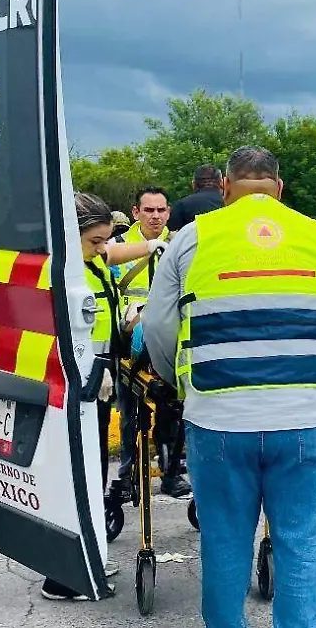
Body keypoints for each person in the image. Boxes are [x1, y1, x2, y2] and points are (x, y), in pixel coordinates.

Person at [142, 146, 316, 627]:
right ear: (279, 188)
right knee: (302, 548)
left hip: (219, 417)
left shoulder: (191, 239)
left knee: (224, 545)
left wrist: (180, 383)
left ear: (225, 187)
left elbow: (157, 327)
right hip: (307, 418)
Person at [40, 193, 122, 601]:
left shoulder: (90, 265)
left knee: (94, 471)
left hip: (96, 381)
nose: (103, 248)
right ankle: (64, 576)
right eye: (95, 241)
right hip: (76, 386)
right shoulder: (59, 274)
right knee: (77, 474)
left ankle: (89, 557)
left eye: (106, 240)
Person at [108, 187, 190, 499]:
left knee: (173, 410)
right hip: (131, 339)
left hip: (168, 339)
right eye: (149, 210)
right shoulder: (118, 246)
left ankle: (171, 473)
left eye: (160, 210)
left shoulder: (180, 244)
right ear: (136, 212)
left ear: (168, 212)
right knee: (130, 414)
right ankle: (128, 475)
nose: (155, 216)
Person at [167, 164, 225, 231]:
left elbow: (173, 233)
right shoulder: (229, 203)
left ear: (193, 184)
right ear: (221, 182)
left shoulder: (181, 205)